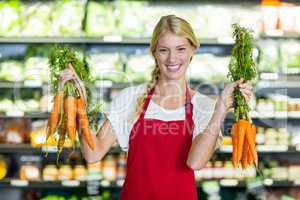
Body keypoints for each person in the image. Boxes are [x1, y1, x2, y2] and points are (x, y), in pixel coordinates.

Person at [60, 15, 252, 200]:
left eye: (180, 49)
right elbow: (93, 153)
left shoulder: (204, 106)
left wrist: (221, 110)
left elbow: (196, 162)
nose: (172, 58)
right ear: (154, 52)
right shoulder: (131, 98)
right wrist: (78, 106)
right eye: (164, 50)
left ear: (193, 50)